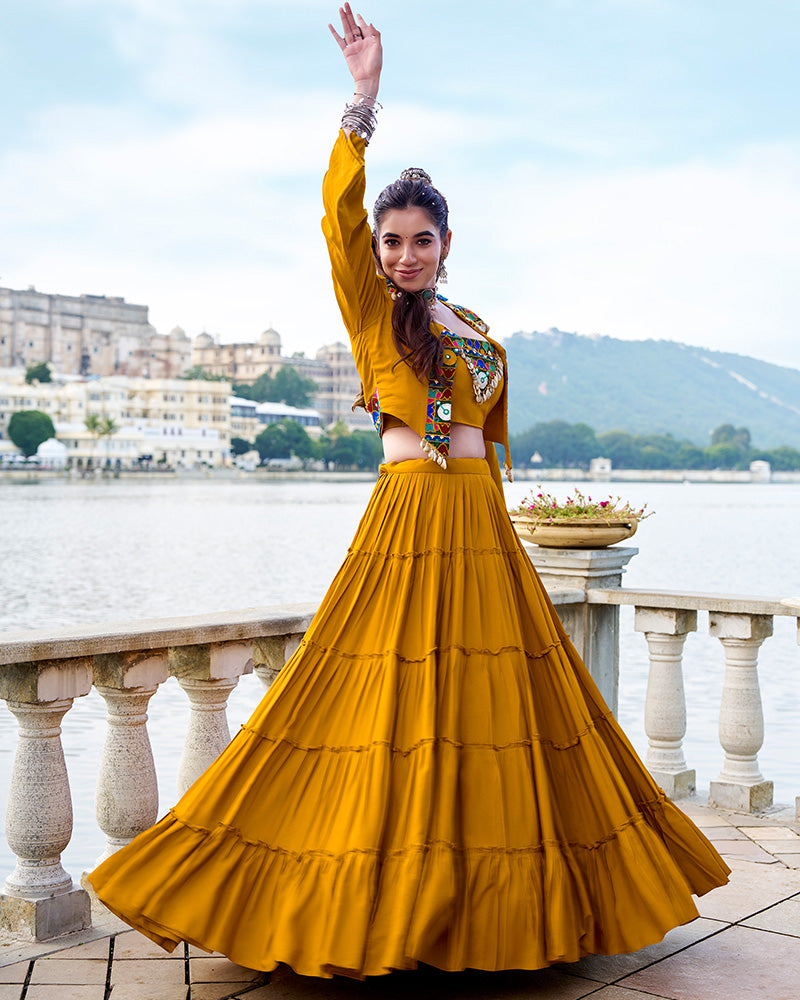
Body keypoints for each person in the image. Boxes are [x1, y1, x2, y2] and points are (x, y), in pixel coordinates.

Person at [88, 5, 730, 980]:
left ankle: (491, 914)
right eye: (389, 240)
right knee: (375, 707)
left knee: (496, 714)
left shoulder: (469, 323)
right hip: (409, 515)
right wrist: (361, 100)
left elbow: (487, 427)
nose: (400, 254)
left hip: (478, 519)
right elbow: (334, 214)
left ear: (444, 241)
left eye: (416, 239)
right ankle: (354, 901)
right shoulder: (368, 306)